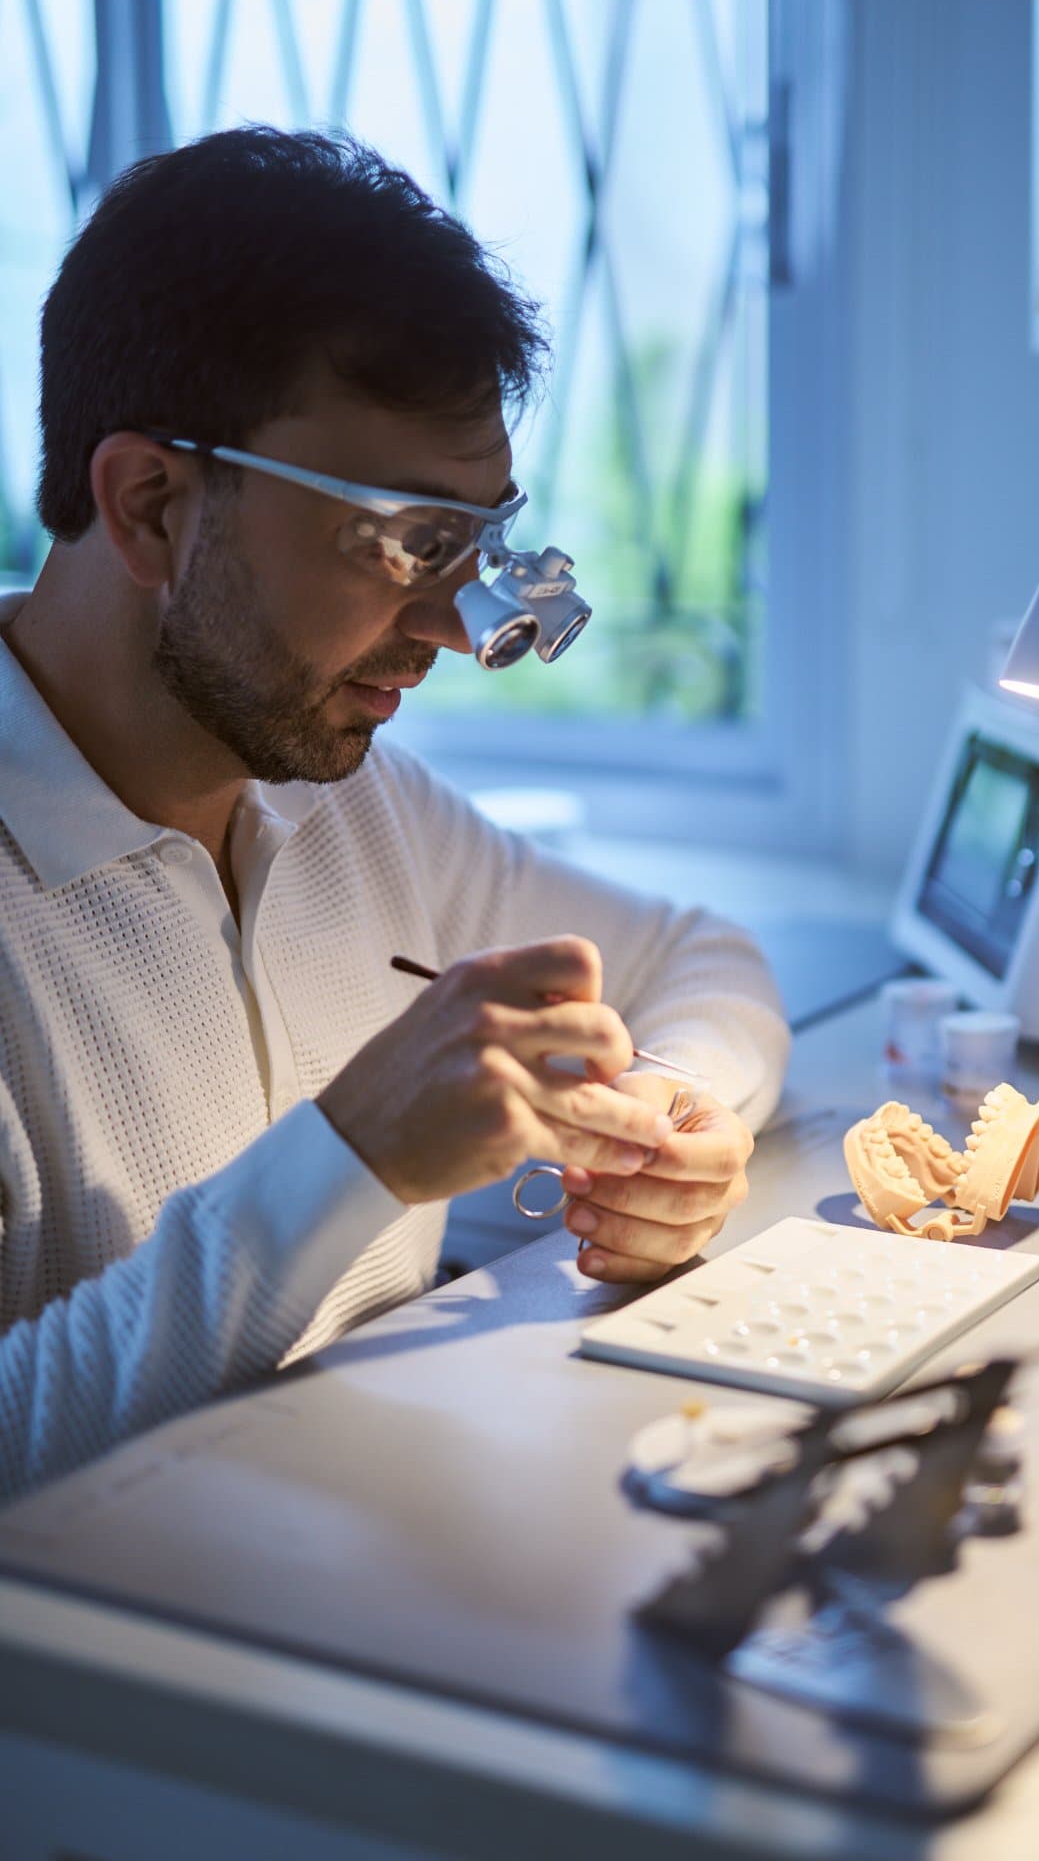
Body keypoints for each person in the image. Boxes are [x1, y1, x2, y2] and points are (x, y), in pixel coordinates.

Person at [0, 128, 789, 1504]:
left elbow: (698, 959)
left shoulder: (358, 806)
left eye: (480, 545)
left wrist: (671, 1123)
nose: (453, 628)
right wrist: (345, 1157)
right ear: (148, 504)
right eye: (408, 542)